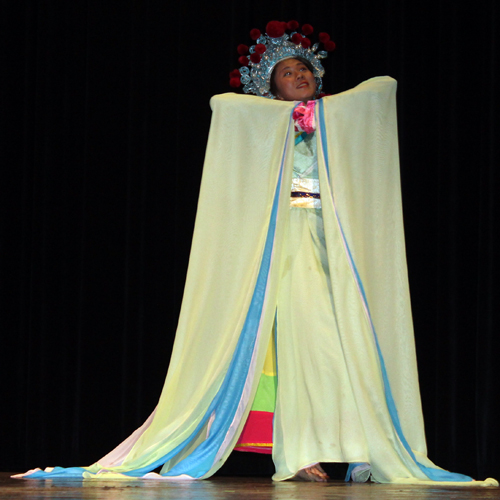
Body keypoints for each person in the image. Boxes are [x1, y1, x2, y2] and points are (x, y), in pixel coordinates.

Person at [14, 21, 498, 487]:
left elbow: (382, 88)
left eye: (304, 69)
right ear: (272, 90)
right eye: (287, 73)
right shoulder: (266, 127)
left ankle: (359, 447)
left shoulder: (336, 122)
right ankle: (301, 451)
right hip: (280, 243)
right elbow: (225, 107)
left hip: (326, 240)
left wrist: (322, 122)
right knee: (291, 346)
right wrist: (276, 119)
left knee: (339, 344)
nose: (299, 76)